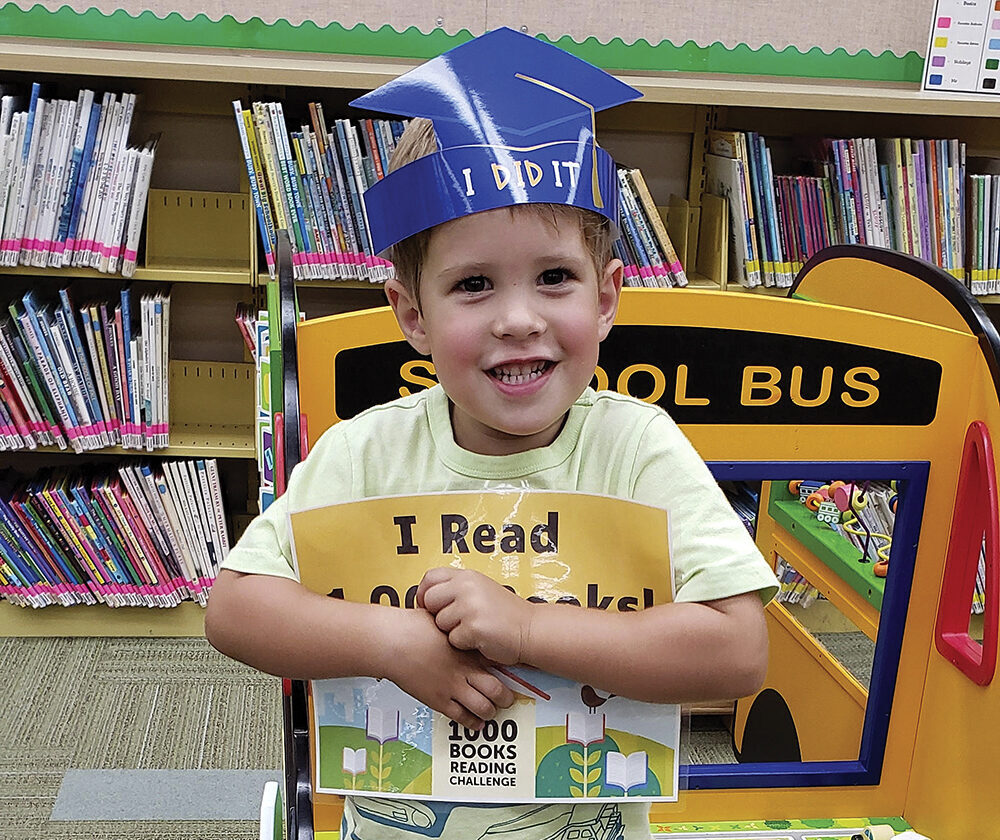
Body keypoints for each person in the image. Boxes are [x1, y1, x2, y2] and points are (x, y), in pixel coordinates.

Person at [205, 27, 778, 840]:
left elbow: (737, 650)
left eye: (555, 277)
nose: (519, 319)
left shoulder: (638, 449)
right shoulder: (365, 452)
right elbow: (234, 610)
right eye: (473, 285)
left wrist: (527, 626)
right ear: (412, 314)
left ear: (608, 297)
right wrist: (392, 638)